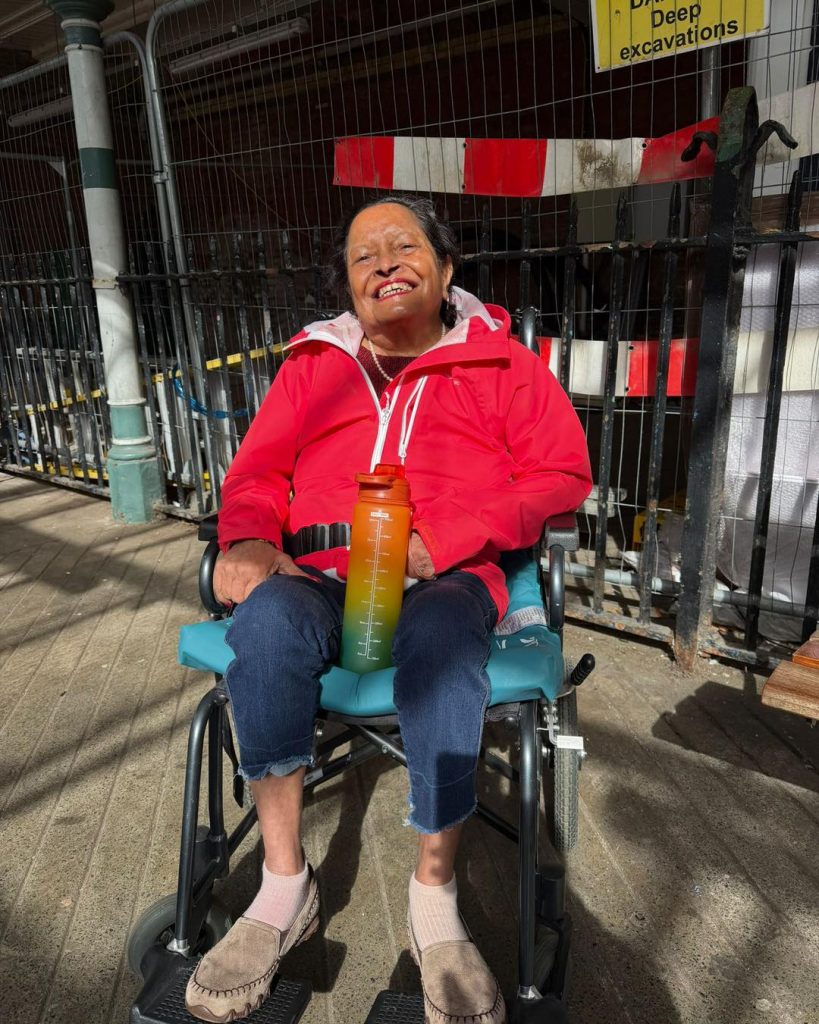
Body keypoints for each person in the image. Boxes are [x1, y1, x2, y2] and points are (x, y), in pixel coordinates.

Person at [184, 196, 592, 1024]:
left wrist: (450, 538)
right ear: (347, 283)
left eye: (403, 246)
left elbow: (560, 478)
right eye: (362, 255)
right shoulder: (313, 365)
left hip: (444, 575)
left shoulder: (501, 365)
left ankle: (434, 899)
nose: (383, 263)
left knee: (442, 640)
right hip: (321, 572)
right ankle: (281, 888)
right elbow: (256, 475)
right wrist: (250, 540)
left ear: (446, 270)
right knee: (262, 625)